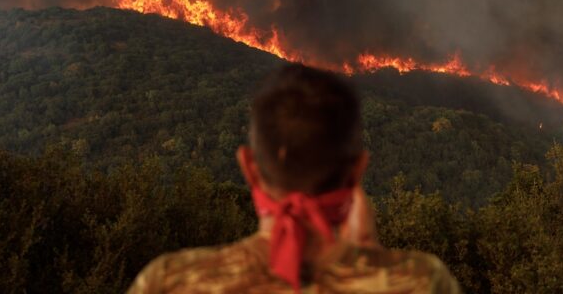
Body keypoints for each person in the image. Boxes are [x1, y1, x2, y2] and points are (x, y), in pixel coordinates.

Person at [127, 63, 461, 293]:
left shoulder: (169, 281)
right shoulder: (422, 281)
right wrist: (369, 256)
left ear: (248, 167)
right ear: (357, 170)